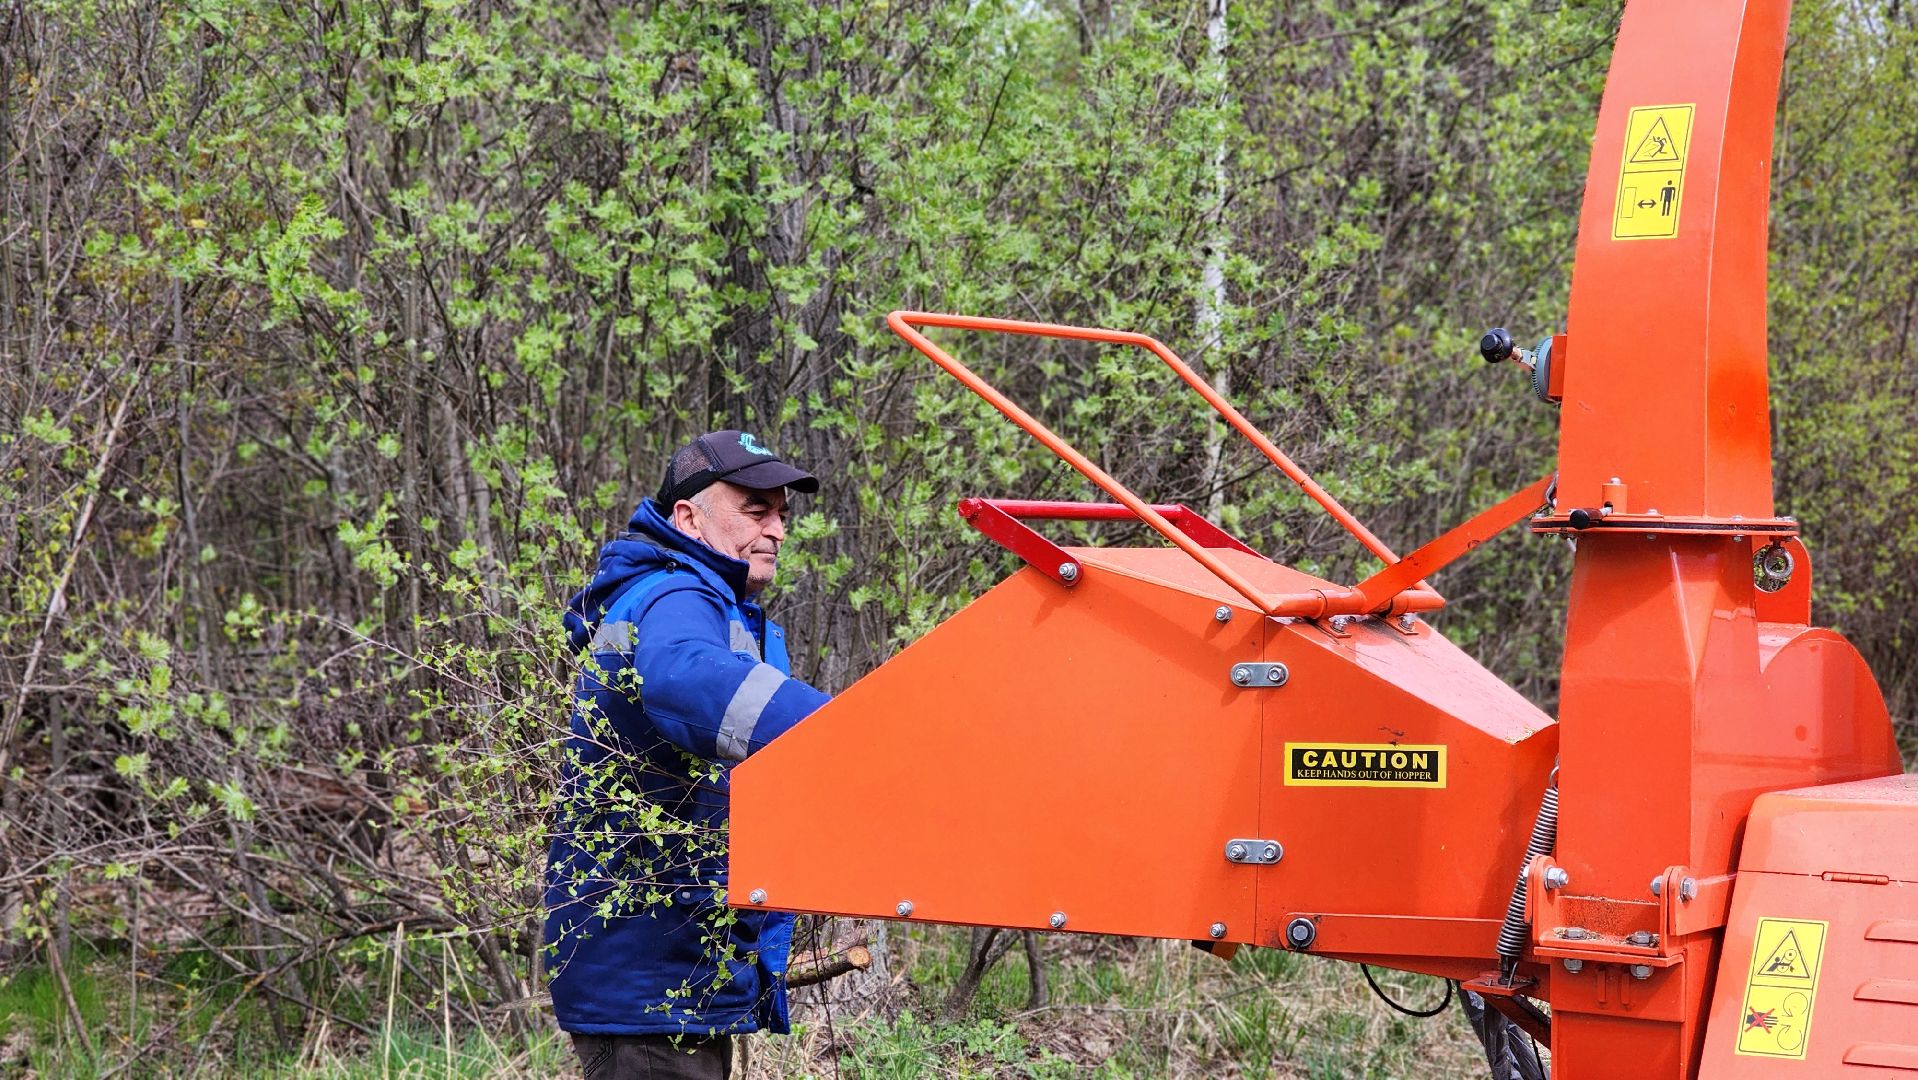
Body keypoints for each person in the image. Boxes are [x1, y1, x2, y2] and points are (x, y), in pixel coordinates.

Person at [544, 429, 832, 1080]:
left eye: (781, 514)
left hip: (667, 971)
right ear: (688, 518)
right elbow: (687, 679)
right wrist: (845, 732)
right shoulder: (677, 598)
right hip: (649, 976)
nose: (776, 530)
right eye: (755, 510)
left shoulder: (694, 601)